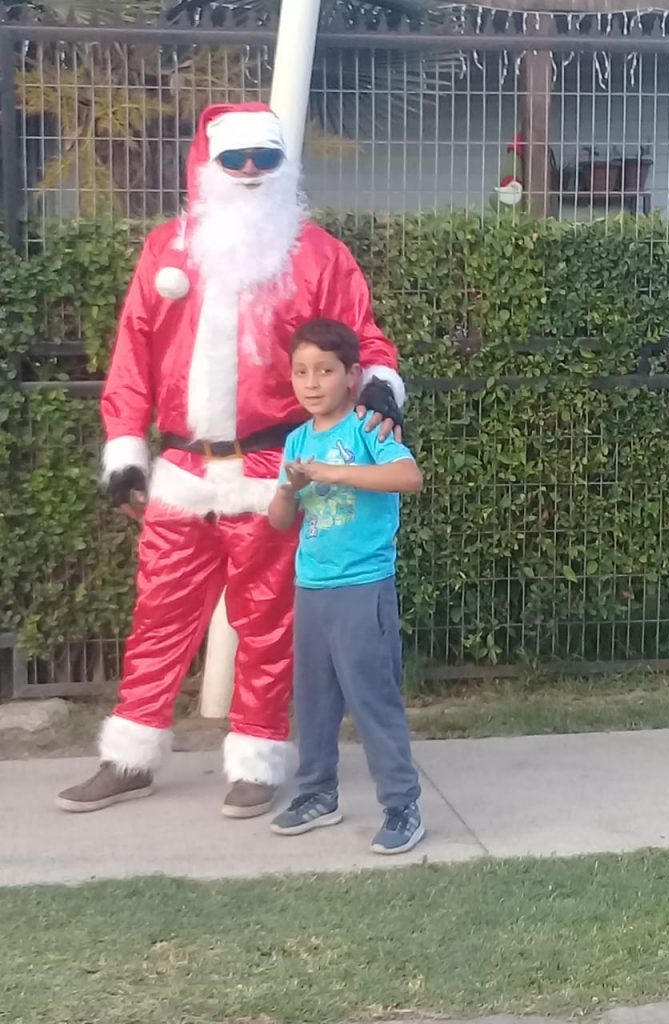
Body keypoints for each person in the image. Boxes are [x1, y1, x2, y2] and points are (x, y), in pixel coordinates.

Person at [56, 101, 406, 818]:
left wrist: (379, 388)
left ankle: (257, 755)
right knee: (158, 616)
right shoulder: (166, 251)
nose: (249, 171)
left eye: (265, 158)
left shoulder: (319, 257)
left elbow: (363, 340)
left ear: (284, 165)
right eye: (235, 158)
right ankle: (129, 756)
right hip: (183, 474)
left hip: (271, 471)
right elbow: (133, 355)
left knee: (268, 622)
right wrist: (126, 449)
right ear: (209, 164)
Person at [267, 318, 425, 855]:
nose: (312, 383)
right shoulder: (297, 440)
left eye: (325, 371)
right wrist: (288, 489)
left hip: (363, 588)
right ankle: (317, 794)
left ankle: (402, 806)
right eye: (301, 372)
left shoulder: (368, 428)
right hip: (312, 588)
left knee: (373, 698)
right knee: (313, 701)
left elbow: (408, 477)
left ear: (353, 375)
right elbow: (280, 521)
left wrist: (333, 474)